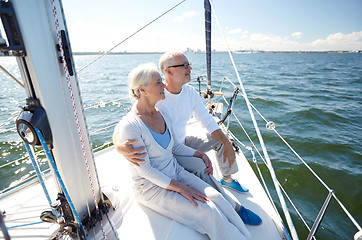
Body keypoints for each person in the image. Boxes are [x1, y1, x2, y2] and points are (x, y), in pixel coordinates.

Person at [113, 52, 262, 226]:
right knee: (200, 167)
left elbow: (207, 120)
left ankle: (227, 179)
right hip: (166, 152)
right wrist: (118, 145)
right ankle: (232, 206)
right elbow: (126, 122)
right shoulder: (155, 96)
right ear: (169, 71)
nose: (190, 68)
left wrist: (227, 143)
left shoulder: (190, 92)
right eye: (184, 65)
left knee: (220, 139)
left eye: (188, 64)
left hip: (181, 142)